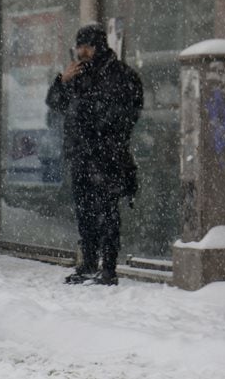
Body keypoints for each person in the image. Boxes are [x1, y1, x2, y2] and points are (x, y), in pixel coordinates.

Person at [46, 23, 143, 286]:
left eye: (86, 47)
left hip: (106, 156)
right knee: (85, 211)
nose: (81, 52)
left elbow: (125, 114)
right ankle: (88, 263)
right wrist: (61, 81)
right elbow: (54, 104)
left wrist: (103, 135)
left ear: (98, 46)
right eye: (79, 47)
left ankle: (108, 268)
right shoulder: (78, 74)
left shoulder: (119, 74)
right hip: (81, 155)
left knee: (106, 211)